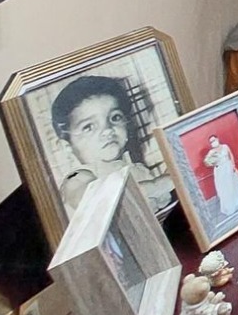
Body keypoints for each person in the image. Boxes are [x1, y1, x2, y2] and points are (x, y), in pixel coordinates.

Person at [51, 75, 176, 214]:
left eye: (115, 117)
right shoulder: (78, 178)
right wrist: (158, 184)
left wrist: (173, 174)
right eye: (88, 127)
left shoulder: (137, 170)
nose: (107, 130)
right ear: (67, 146)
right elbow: (97, 199)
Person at [203, 135, 238, 216]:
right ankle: (228, 204)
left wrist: (233, 165)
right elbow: (207, 163)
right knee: (223, 187)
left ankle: (235, 199)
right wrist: (212, 163)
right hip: (219, 171)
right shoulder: (211, 152)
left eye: (214, 140)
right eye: (211, 142)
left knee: (231, 184)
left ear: (217, 139)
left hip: (228, 167)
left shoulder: (225, 146)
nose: (213, 142)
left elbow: (231, 155)